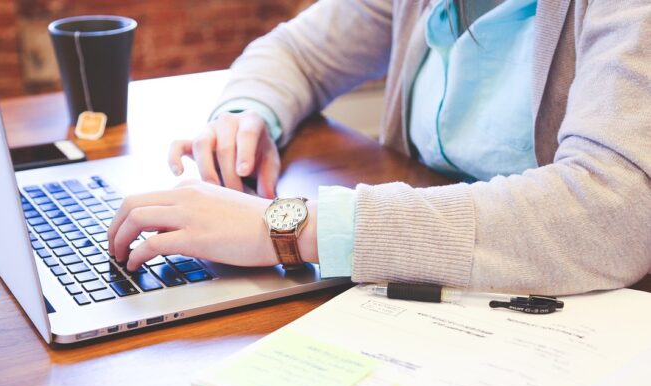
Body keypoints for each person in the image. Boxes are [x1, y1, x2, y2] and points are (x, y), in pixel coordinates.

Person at [108, 0, 651, 295]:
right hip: (439, 291)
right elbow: (298, 50)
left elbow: (612, 210)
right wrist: (246, 114)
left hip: (582, 317)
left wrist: (287, 228)